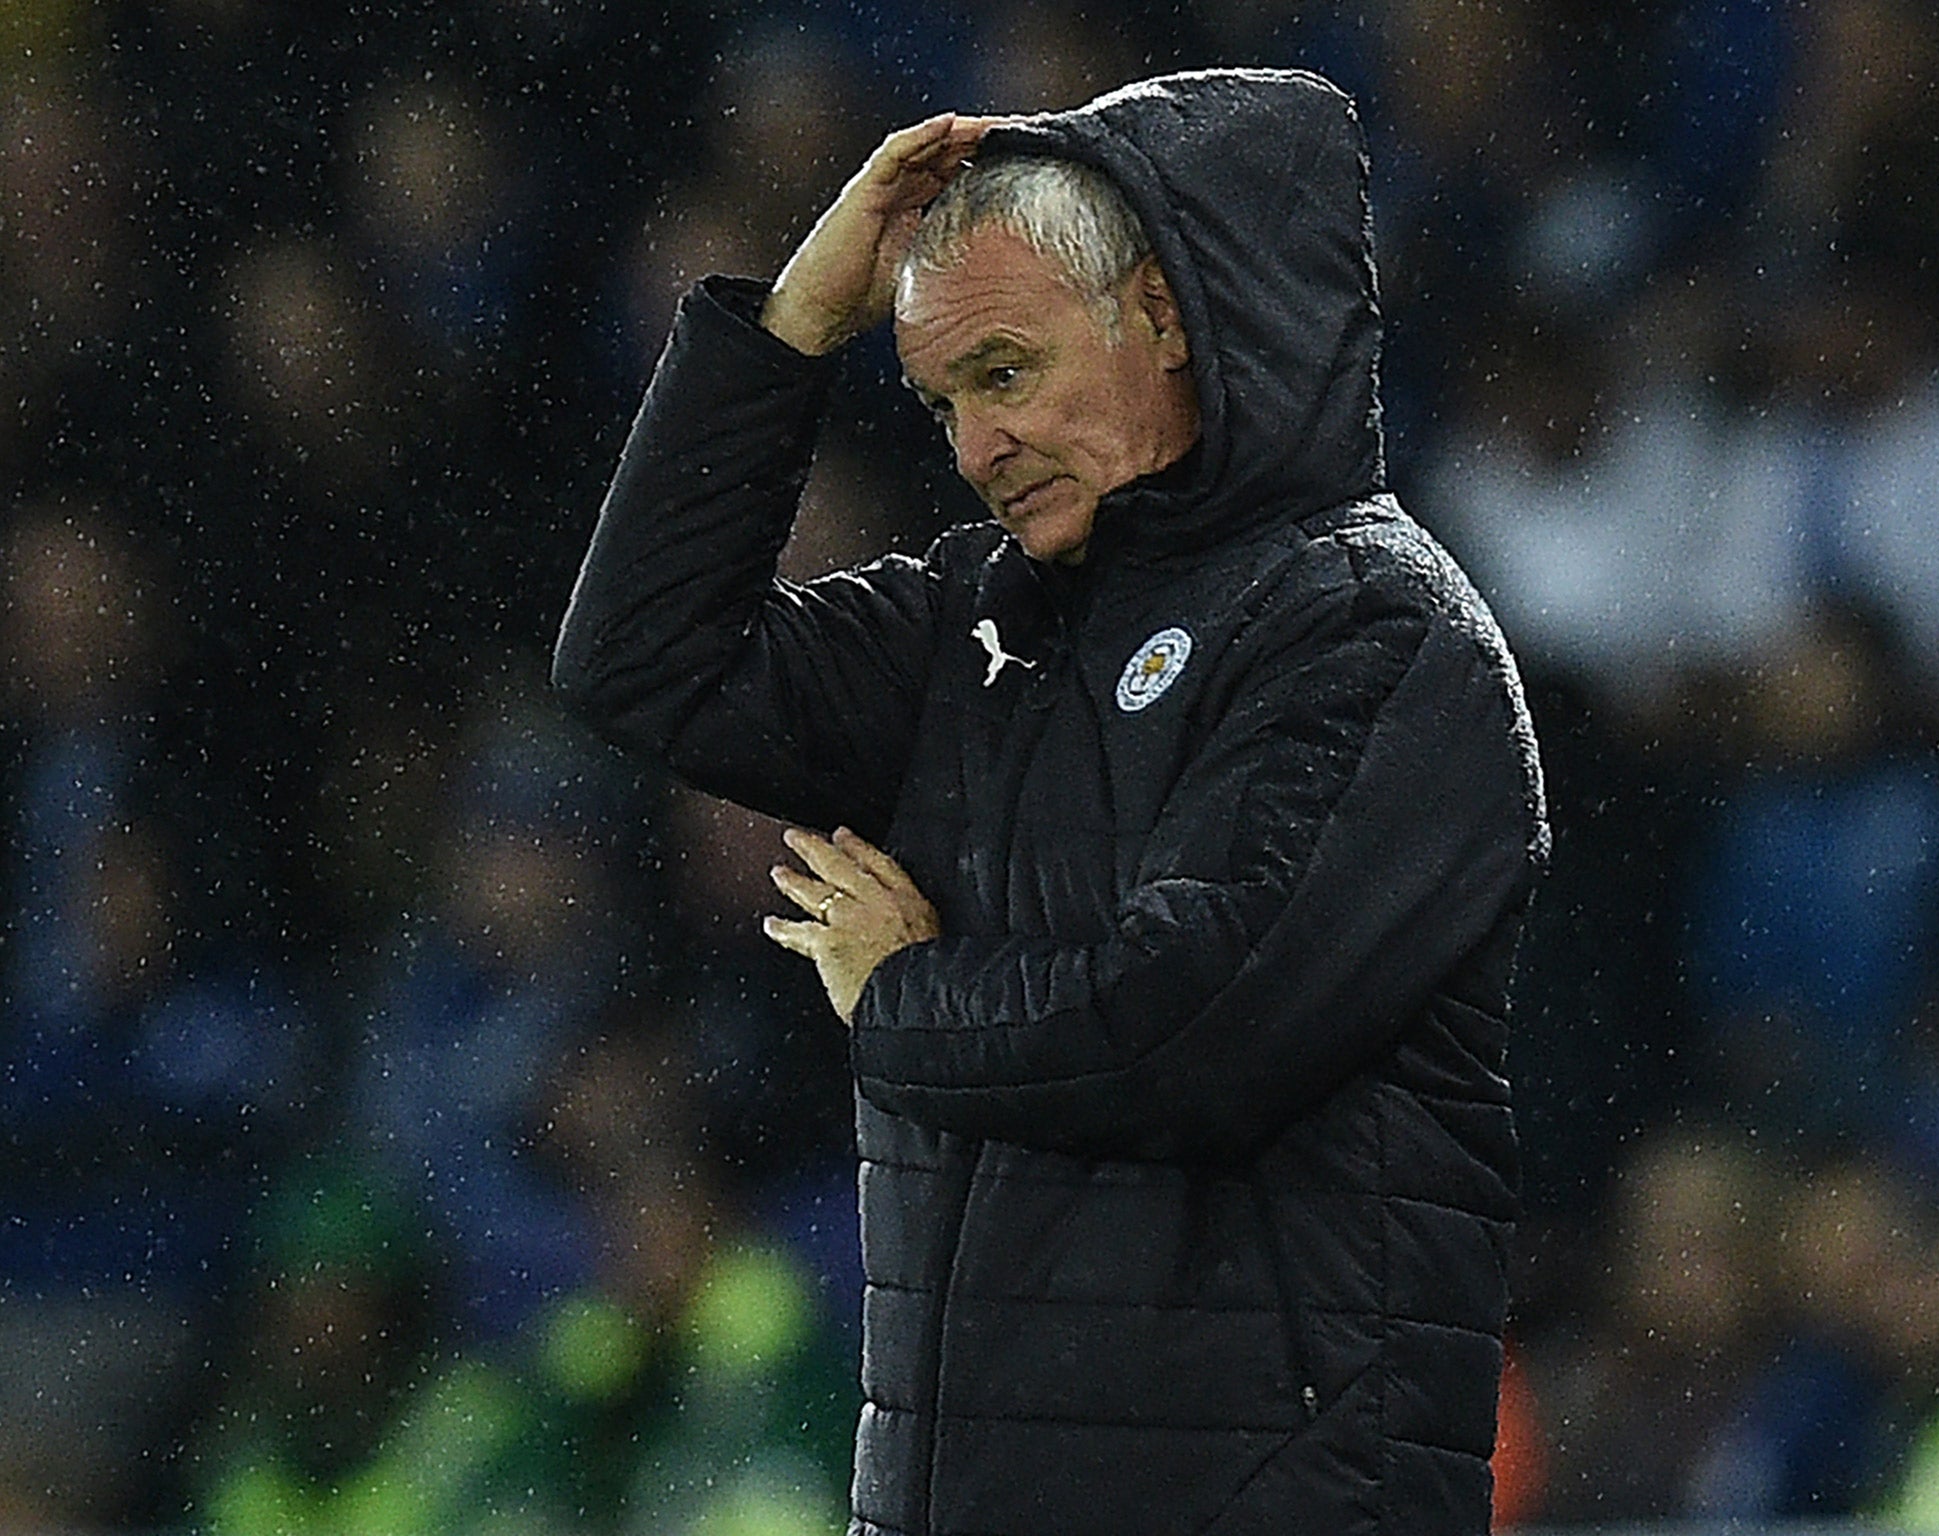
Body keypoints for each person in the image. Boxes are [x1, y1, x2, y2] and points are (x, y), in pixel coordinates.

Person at [555, 67, 1548, 1536]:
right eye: (941, 399)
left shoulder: (1381, 635)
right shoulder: (976, 626)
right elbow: (644, 669)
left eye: (1005, 374)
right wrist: (785, 333)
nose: (970, 449)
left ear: (1165, 314)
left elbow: (1185, 1029)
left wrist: (898, 994)